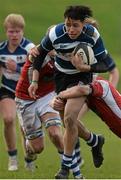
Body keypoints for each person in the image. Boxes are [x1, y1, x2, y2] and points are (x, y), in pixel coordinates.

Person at [27, 5, 117, 178]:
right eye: (68, 24)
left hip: (82, 78)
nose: (70, 29)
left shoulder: (92, 35)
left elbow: (105, 64)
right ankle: (94, 140)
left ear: (84, 24)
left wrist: (85, 67)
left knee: (69, 118)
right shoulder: (55, 34)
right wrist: (34, 81)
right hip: (61, 78)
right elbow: (39, 54)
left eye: (75, 25)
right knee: (70, 123)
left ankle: (64, 168)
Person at [15, 52, 83, 179]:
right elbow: (32, 56)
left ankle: (74, 172)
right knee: (37, 148)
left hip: (47, 96)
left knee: (56, 133)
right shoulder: (38, 54)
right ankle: (29, 154)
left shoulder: (65, 56)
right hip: (26, 99)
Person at [0, 13, 35, 171]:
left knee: (25, 128)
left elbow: (37, 72)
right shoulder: (1, 49)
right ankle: (13, 158)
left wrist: (18, 68)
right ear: (6, 31)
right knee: (8, 119)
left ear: (23, 31)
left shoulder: (30, 49)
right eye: (11, 31)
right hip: (7, 89)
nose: (14, 35)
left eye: (17, 31)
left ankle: (29, 158)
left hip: (25, 92)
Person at [51, 77, 121, 139]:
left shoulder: (98, 86)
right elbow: (82, 90)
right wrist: (56, 100)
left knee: (69, 122)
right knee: (69, 122)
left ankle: (92, 140)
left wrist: (58, 97)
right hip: (91, 88)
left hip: (90, 89)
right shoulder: (98, 86)